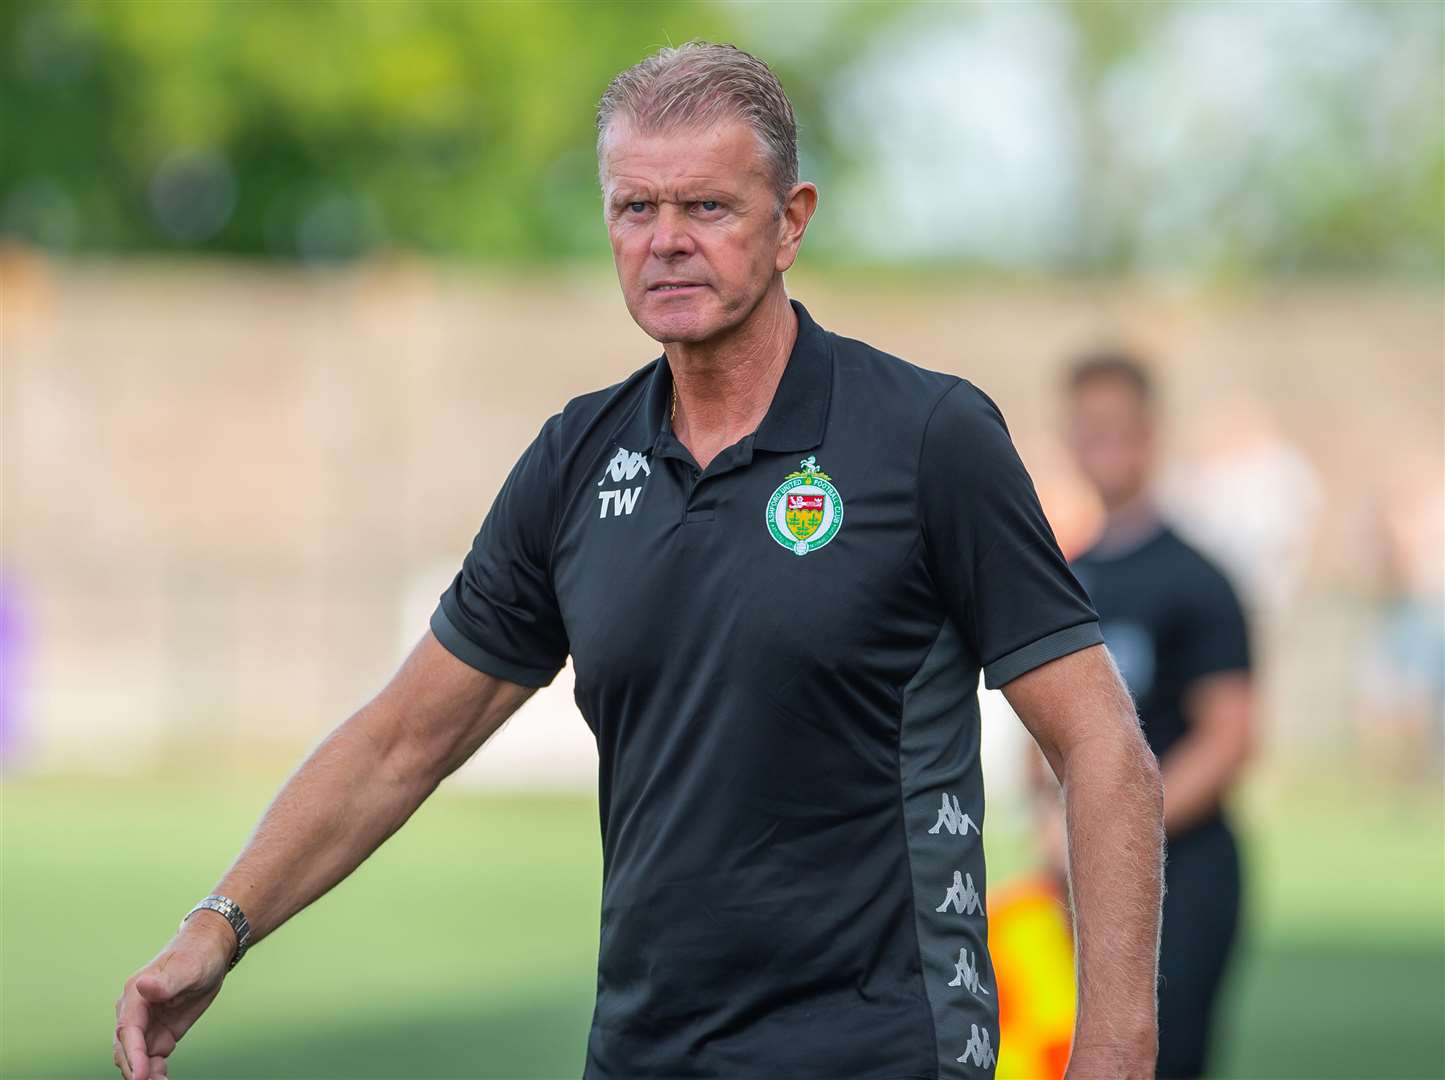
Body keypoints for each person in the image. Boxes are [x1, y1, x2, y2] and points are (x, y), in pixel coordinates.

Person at [113, 43, 1164, 1080]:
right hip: (644, 1055)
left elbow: (1100, 744)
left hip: (882, 1050)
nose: (665, 241)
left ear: (790, 222)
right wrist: (219, 924)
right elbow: (401, 741)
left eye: (706, 207)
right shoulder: (575, 460)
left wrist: (1111, 1052)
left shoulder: (927, 437)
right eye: (634, 208)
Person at [1039, 351, 1255, 1079]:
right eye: (1085, 428)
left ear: (1148, 434)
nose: (1100, 444)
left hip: (1183, 865)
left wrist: (1115, 827)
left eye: (1115, 427)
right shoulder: (1065, 574)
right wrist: (1055, 827)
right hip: (1079, 867)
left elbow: (1228, 739)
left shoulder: (1197, 578)